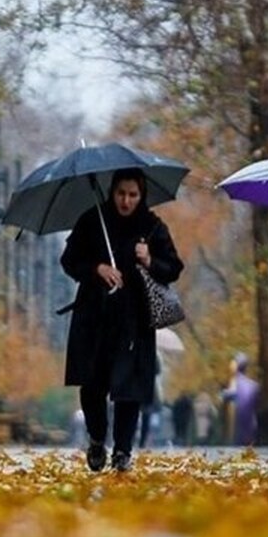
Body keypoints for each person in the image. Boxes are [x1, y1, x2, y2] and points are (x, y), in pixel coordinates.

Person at [61, 168, 183, 472]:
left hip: (134, 320)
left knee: (130, 389)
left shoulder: (152, 227)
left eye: (132, 195)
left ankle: (123, 451)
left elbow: (173, 268)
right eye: (120, 194)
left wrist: (149, 260)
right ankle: (98, 438)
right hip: (94, 316)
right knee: (92, 385)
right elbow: (70, 260)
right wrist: (97, 269)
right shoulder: (93, 221)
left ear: (141, 195)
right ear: (111, 191)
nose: (126, 201)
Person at [222, 352, 260, 446]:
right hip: (251, 425)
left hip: (238, 426)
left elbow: (227, 396)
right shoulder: (254, 385)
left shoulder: (235, 382)